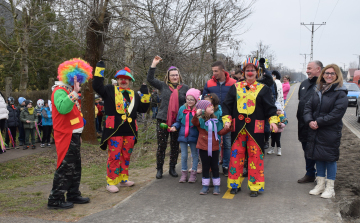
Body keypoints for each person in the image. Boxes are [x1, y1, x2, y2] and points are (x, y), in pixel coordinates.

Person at [222, 58, 278, 197]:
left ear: (257, 72)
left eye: (252, 70)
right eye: (247, 70)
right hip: (238, 128)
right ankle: (234, 184)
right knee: (236, 157)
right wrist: (227, 120)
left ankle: (255, 186)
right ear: (243, 72)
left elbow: (270, 108)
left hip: (256, 128)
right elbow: (227, 105)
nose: (250, 72)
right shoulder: (235, 87)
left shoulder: (263, 89)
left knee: (255, 157)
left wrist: (273, 121)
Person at [93, 61, 150, 193]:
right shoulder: (109, 90)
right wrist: (99, 70)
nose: (123, 81)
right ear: (117, 80)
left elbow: (143, 108)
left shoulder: (134, 94)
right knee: (114, 156)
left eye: (126, 79)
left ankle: (123, 179)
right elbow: (96, 85)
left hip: (130, 130)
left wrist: (145, 93)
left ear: (130, 81)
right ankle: (111, 181)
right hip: (114, 130)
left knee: (126, 155)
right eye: (121, 79)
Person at [48, 58, 92, 209]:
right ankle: (55, 199)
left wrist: (78, 134)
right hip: (65, 135)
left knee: (75, 167)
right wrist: (74, 93)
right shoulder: (59, 91)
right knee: (65, 167)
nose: (78, 83)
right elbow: (63, 109)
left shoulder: (66, 91)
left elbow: (73, 114)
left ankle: (73, 194)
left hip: (73, 135)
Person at [303, 64, 348, 198]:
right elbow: (307, 108)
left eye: (332, 74)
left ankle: (330, 188)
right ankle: (320, 185)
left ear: (337, 76)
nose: (329, 76)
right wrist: (310, 121)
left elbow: (337, 114)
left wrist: (319, 122)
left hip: (330, 131)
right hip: (316, 130)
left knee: (330, 158)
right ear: (322, 75)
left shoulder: (340, 93)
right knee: (318, 157)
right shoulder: (318, 90)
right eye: (326, 73)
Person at [147, 56, 189, 179]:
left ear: (179, 76)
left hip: (177, 121)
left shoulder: (185, 88)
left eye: (176, 75)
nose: (175, 77)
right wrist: (154, 64)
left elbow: (191, 100)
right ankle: (159, 169)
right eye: (172, 75)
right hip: (162, 119)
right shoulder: (163, 85)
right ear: (168, 77)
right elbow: (150, 79)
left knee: (175, 146)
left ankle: (172, 168)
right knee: (162, 145)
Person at [202, 61, 236, 177]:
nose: (214, 73)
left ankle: (226, 166)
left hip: (227, 117)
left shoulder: (234, 83)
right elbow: (204, 101)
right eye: (213, 71)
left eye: (216, 71)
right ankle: (214, 166)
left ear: (222, 71)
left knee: (227, 143)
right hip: (213, 118)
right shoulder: (209, 83)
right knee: (213, 143)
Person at [192, 100, 229, 195]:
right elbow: (194, 122)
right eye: (209, 106)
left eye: (212, 105)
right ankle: (205, 186)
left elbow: (220, 132)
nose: (212, 107)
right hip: (203, 147)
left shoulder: (216, 120)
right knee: (205, 167)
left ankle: (216, 186)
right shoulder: (200, 120)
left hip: (214, 147)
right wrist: (196, 114)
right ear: (203, 109)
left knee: (215, 167)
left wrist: (227, 128)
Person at [297, 60, 323, 184]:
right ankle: (310, 173)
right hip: (303, 124)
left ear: (318, 69)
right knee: (306, 148)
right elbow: (301, 101)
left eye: (309, 68)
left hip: (316, 125)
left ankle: (320, 175)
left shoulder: (323, 84)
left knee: (316, 150)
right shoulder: (304, 83)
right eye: (307, 68)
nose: (307, 70)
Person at [170, 88, 201, 183]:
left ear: (196, 100)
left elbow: (200, 123)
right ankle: (184, 174)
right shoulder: (182, 108)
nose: (189, 101)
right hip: (183, 135)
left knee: (195, 155)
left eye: (192, 99)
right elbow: (178, 121)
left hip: (194, 136)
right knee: (183, 156)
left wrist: (198, 115)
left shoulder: (199, 110)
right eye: (188, 99)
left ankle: (193, 174)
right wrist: (174, 126)